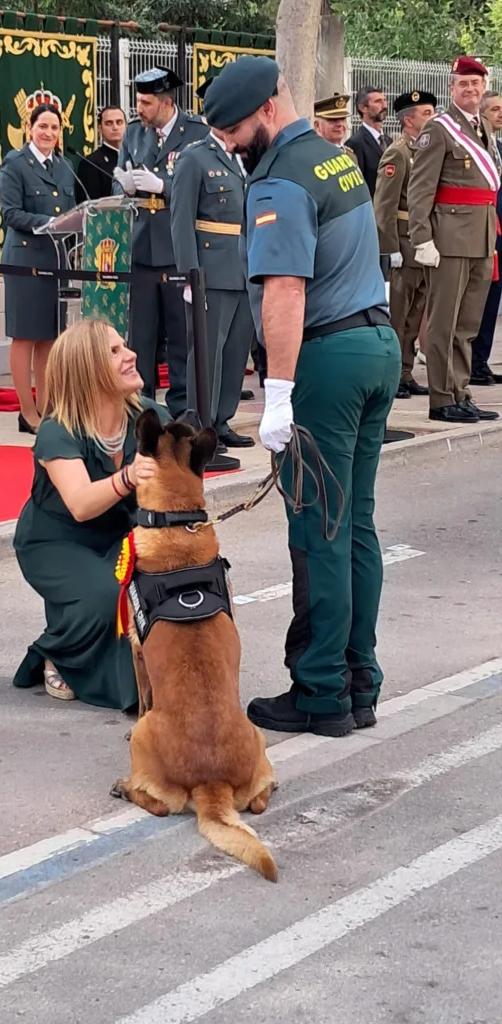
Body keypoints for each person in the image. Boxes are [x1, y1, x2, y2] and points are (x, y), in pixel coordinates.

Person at [204, 55, 400, 738]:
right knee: (355, 528)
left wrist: (277, 395)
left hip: (326, 362)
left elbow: (284, 289)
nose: (228, 144)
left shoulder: (281, 179)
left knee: (318, 532)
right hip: (375, 346)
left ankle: (320, 692)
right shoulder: (332, 156)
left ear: (267, 109)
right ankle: (359, 682)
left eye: (232, 129)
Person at [13, 318, 168, 709]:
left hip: (120, 533)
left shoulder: (149, 415)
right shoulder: (57, 430)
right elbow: (81, 505)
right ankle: (53, 654)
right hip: (57, 541)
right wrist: (129, 476)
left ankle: (148, 675)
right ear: (88, 370)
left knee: (148, 590)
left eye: (125, 345)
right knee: (108, 595)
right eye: (115, 352)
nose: (130, 355)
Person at [408, 55, 501, 424]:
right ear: (452, 88)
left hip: (480, 237)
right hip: (447, 239)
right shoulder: (440, 129)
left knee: (467, 324)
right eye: (463, 84)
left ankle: (460, 391)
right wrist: (421, 238)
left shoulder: (484, 129)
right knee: (444, 322)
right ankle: (441, 398)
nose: (471, 90)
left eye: (476, 84)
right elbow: (420, 190)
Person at [113, 67, 209, 416]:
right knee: (141, 335)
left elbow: (205, 186)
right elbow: (119, 178)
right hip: (140, 247)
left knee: (181, 334)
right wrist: (122, 186)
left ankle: (183, 407)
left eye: (146, 102)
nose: (138, 108)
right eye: (138, 100)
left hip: (175, 245)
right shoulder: (135, 134)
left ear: (166, 102)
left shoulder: (195, 132)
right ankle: (142, 407)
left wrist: (164, 187)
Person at [170, 77, 255, 449]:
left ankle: (222, 420)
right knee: (207, 352)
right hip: (211, 269)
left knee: (236, 350)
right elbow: (181, 219)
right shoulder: (195, 156)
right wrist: (191, 276)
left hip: (244, 266)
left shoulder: (247, 154)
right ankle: (200, 424)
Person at [0, 102, 77, 433]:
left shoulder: (64, 166)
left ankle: (46, 408)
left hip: (55, 259)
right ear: (30, 128)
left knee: (48, 337)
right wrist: (49, 222)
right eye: (42, 126)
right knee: (25, 335)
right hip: (26, 258)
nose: (48, 133)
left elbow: (72, 208)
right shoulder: (16, 163)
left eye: (54, 128)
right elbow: (11, 213)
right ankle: (27, 411)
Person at [373, 90, 436, 400]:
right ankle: (392, 375)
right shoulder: (399, 153)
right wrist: (390, 247)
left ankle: (406, 371)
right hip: (404, 241)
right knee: (398, 315)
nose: (433, 118)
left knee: (415, 314)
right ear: (409, 120)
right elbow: (383, 204)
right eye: (426, 114)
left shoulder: (426, 149)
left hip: (424, 240)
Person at [470, 89, 502, 386]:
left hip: (497, 231)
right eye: (494, 109)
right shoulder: (476, 147)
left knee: (493, 301)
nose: (500, 114)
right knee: (477, 300)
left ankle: (481, 360)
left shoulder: (497, 146)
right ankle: (470, 361)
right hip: (480, 232)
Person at [347, 86, 392, 197]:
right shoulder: (355, 144)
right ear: (363, 108)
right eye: (378, 102)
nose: (385, 106)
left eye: (385, 100)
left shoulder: (389, 141)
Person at [76, 106, 127, 202]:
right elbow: (90, 205)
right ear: (100, 128)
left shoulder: (134, 158)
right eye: (109, 123)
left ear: (126, 125)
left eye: (119, 122)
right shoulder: (91, 163)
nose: (115, 127)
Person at [313, 94, 358, 164]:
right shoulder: (312, 156)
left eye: (343, 119)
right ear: (317, 126)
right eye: (333, 120)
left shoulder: (350, 155)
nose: (340, 124)